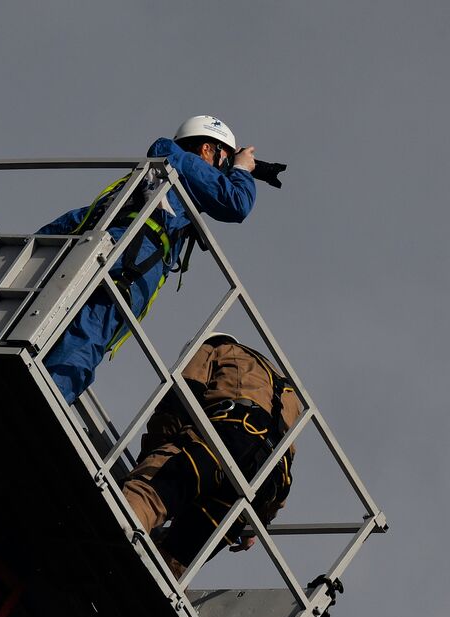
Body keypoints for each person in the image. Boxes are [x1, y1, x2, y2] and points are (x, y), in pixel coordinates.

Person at [39, 115, 258, 403]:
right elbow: (236, 203)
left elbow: (81, 216)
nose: (224, 171)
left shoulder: (160, 181)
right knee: (88, 335)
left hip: (116, 252)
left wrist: (37, 248)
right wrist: (241, 169)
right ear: (207, 149)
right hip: (129, 261)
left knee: (69, 329)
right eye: (224, 161)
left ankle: (48, 391)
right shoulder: (181, 161)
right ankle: (46, 398)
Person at [121, 333, 302, 576]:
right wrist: (254, 523)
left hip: (226, 440)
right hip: (263, 485)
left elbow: (179, 402)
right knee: (172, 561)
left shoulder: (214, 347)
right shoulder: (289, 395)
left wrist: (152, 458)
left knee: (144, 496)